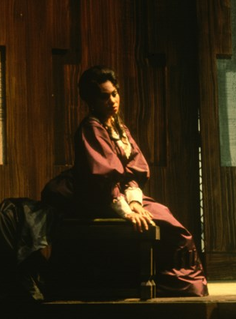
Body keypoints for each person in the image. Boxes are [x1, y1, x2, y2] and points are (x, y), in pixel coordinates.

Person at [42, 65, 209, 297]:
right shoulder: (91, 127)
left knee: (165, 218)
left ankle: (172, 282)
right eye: (104, 96)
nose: (112, 100)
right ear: (91, 100)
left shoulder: (119, 126)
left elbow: (133, 172)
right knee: (162, 224)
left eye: (114, 93)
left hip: (118, 191)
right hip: (96, 195)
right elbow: (103, 175)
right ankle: (150, 283)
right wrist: (126, 211)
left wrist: (136, 203)